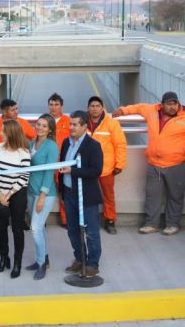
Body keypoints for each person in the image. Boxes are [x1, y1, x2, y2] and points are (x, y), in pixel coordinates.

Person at [113, 91, 185, 235]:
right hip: (154, 164)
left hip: (176, 164)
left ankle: (172, 224)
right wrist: (123, 110)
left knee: (175, 196)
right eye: (169, 104)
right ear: (162, 105)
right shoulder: (151, 111)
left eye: (175, 104)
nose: (172, 107)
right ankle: (152, 224)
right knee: (153, 195)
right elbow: (138, 108)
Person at [59, 111, 103, 277]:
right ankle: (80, 259)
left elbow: (96, 171)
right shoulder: (66, 143)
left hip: (86, 196)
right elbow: (64, 165)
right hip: (69, 193)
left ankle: (92, 264)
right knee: (72, 230)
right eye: (70, 124)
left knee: (91, 231)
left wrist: (73, 171)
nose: (71, 127)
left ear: (85, 126)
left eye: (75, 124)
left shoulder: (93, 146)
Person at [0, 120, 30, 279]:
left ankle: (17, 262)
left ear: (11, 134)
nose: (0, 134)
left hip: (17, 195)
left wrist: (8, 195)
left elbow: (23, 177)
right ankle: (3, 258)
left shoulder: (24, 153)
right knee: (1, 228)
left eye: (3, 131)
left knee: (17, 229)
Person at [87, 96, 127, 234]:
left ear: (102, 107)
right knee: (87, 196)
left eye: (98, 106)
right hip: (87, 169)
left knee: (108, 196)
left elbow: (120, 144)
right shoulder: (82, 122)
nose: (95, 108)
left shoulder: (112, 123)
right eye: (92, 106)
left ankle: (110, 221)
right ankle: (88, 221)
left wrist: (119, 164)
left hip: (106, 168)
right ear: (88, 108)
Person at [26, 114, 59, 280]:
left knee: (36, 228)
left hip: (44, 194)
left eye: (44, 126)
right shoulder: (32, 143)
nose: (40, 128)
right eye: (38, 124)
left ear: (50, 129)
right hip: (30, 191)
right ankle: (44, 259)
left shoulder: (51, 146)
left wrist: (42, 196)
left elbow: (49, 172)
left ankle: (41, 264)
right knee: (41, 228)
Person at [0, 99, 36, 167]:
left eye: (16, 109)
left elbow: (36, 139)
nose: (16, 112)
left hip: (18, 163)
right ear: (4, 112)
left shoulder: (23, 123)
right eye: (13, 110)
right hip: (0, 163)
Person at [48, 93, 71, 227]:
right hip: (47, 163)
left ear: (61, 106)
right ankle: (41, 220)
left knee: (64, 193)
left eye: (56, 104)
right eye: (51, 104)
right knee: (42, 192)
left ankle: (66, 219)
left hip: (63, 163)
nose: (53, 107)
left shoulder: (68, 121)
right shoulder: (44, 120)